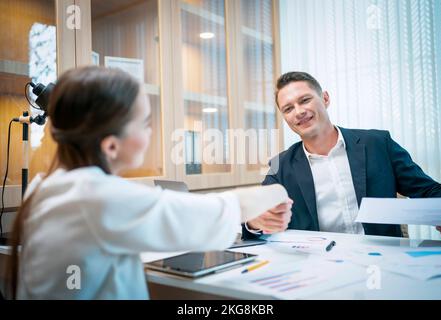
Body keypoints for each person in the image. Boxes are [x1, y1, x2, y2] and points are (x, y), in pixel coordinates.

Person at [6, 66, 289, 300]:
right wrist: (276, 191)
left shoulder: (46, 186)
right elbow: (213, 212)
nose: (151, 131)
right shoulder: (96, 197)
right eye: (144, 123)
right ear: (111, 146)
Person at [243, 71, 441, 241]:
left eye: (305, 100)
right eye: (288, 108)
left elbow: (428, 190)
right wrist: (255, 222)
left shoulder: (378, 144)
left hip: (384, 263)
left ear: (325, 98)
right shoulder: (281, 165)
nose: (298, 112)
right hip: (317, 268)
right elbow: (252, 223)